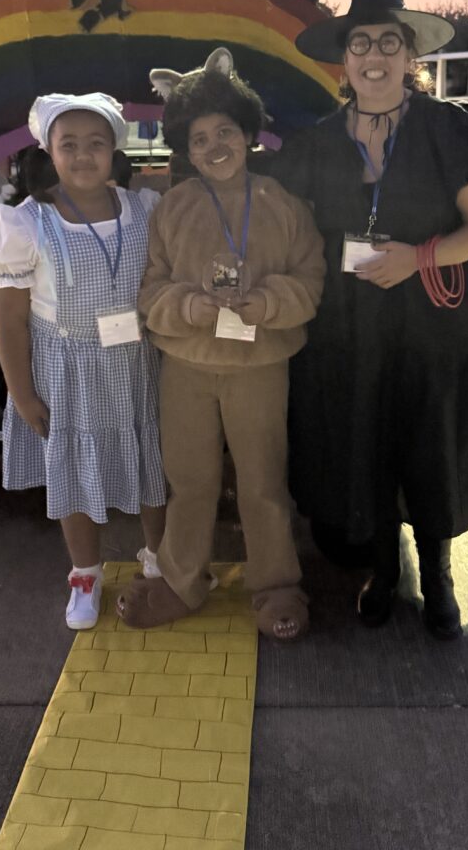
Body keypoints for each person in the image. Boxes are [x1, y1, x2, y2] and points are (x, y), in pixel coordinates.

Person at [266, 0, 468, 639]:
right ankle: (383, 569)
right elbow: (274, 215)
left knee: (430, 446)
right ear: (343, 60)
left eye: (388, 42)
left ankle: (437, 579)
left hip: (436, 322)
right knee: (363, 441)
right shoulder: (317, 144)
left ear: (410, 55)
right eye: (361, 43)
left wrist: (417, 257)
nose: (374, 55)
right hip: (349, 325)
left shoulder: (450, 130)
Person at [115, 50, 325, 640]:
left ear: (248, 132)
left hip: (261, 365)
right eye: (200, 138)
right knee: (190, 481)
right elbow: (150, 289)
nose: (215, 146)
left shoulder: (284, 204)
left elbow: (312, 280)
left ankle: (276, 584)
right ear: (186, 146)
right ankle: (181, 580)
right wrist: (187, 306)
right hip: (186, 366)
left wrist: (271, 301)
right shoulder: (172, 208)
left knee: (263, 482)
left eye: (225, 131)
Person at [0, 93, 166, 630]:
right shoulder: (25, 224)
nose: (83, 156)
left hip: (137, 363)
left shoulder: (144, 209)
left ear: (115, 150)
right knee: (76, 471)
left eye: (96, 144)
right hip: (68, 371)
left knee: (151, 460)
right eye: (69, 145)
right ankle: (85, 572)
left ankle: (159, 561)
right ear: (49, 151)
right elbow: (10, 322)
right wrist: (22, 393)